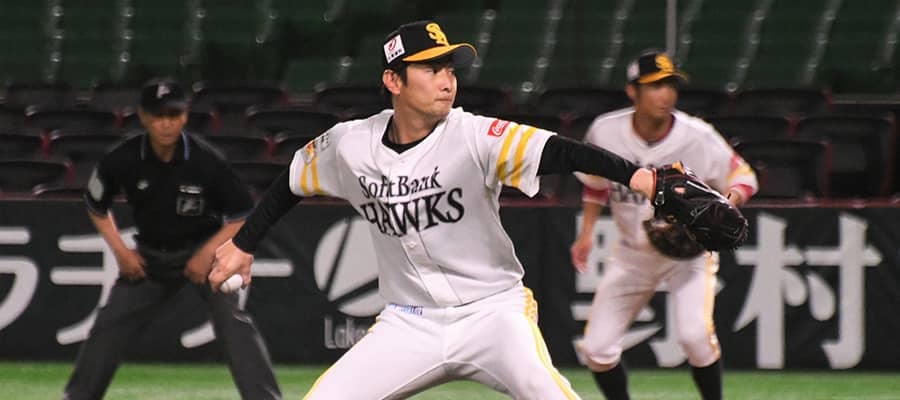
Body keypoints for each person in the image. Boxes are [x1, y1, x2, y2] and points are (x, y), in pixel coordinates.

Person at [209, 21, 659, 399]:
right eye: (430, 68)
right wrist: (244, 244)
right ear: (394, 81)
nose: (447, 80)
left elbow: (560, 150)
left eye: (449, 68)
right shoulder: (351, 144)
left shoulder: (473, 135)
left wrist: (639, 177)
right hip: (409, 322)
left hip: (493, 314)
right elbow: (293, 179)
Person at [63, 78, 282, 400]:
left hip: (203, 256)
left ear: (185, 116)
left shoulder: (206, 160)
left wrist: (207, 253)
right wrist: (121, 252)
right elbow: (96, 204)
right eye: (158, 115)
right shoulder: (123, 158)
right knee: (109, 324)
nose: (166, 123)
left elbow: (242, 214)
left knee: (234, 320)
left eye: (173, 114)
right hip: (150, 258)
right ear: (143, 116)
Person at [569, 50, 759, 400]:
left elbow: (745, 176)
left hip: (689, 256)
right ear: (633, 91)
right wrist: (586, 234)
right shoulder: (605, 131)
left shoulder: (697, 135)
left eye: (670, 85)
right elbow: (595, 184)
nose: (665, 94)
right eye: (654, 86)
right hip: (633, 256)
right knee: (596, 350)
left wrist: (726, 203)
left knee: (695, 337)